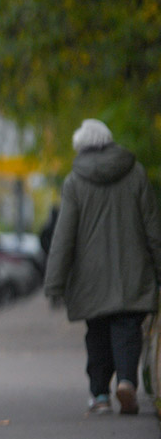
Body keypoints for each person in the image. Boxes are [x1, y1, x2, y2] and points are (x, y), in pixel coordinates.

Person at [43, 119, 161, 416]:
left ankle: (99, 395)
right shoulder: (135, 173)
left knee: (96, 333)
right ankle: (126, 382)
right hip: (132, 273)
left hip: (90, 277)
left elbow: (64, 236)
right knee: (127, 329)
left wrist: (54, 283)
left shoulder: (75, 181)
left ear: (81, 147)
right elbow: (153, 229)